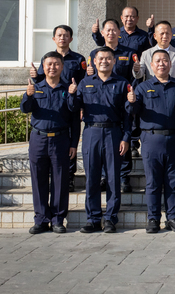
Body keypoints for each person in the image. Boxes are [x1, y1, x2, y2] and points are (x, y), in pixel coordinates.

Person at [126, 50, 175, 234]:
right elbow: (134, 111)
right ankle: (153, 218)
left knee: (172, 181)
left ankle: (172, 217)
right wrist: (131, 102)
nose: (161, 63)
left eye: (165, 60)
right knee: (153, 182)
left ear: (171, 64)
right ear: (151, 65)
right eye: (157, 61)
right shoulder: (142, 87)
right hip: (151, 139)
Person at [67, 46, 131, 234]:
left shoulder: (122, 83)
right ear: (94, 61)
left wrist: (126, 137)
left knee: (112, 178)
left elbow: (128, 115)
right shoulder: (84, 83)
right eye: (100, 58)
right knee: (92, 178)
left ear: (114, 61)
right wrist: (71, 94)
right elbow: (73, 109)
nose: (104, 61)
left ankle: (110, 219)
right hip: (91, 133)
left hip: (113, 133)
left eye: (108, 58)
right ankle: (93, 219)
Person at [21, 51, 80, 234]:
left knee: (60, 180)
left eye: (56, 64)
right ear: (43, 67)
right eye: (49, 64)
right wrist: (28, 95)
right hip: (38, 138)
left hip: (61, 139)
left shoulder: (67, 88)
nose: (52, 67)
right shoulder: (36, 87)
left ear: (62, 67)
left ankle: (57, 219)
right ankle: (41, 219)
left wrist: (73, 144)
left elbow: (74, 119)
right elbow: (25, 109)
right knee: (38, 180)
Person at [30, 24, 87, 193]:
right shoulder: (47, 58)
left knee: (70, 140)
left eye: (66, 35)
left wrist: (81, 106)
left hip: (71, 102)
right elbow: (42, 80)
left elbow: (83, 83)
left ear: (71, 38)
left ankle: (69, 177)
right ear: (54, 39)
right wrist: (35, 77)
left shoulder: (78, 59)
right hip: (53, 102)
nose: (62, 38)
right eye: (59, 35)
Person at [87, 19, 139, 193]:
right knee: (103, 146)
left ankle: (124, 178)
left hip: (122, 101)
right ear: (102, 33)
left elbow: (135, 77)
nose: (110, 33)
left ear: (120, 32)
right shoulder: (95, 53)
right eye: (107, 30)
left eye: (114, 30)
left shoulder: (129, 52)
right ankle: (103, 177)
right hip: (101, 104)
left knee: (124, 139)